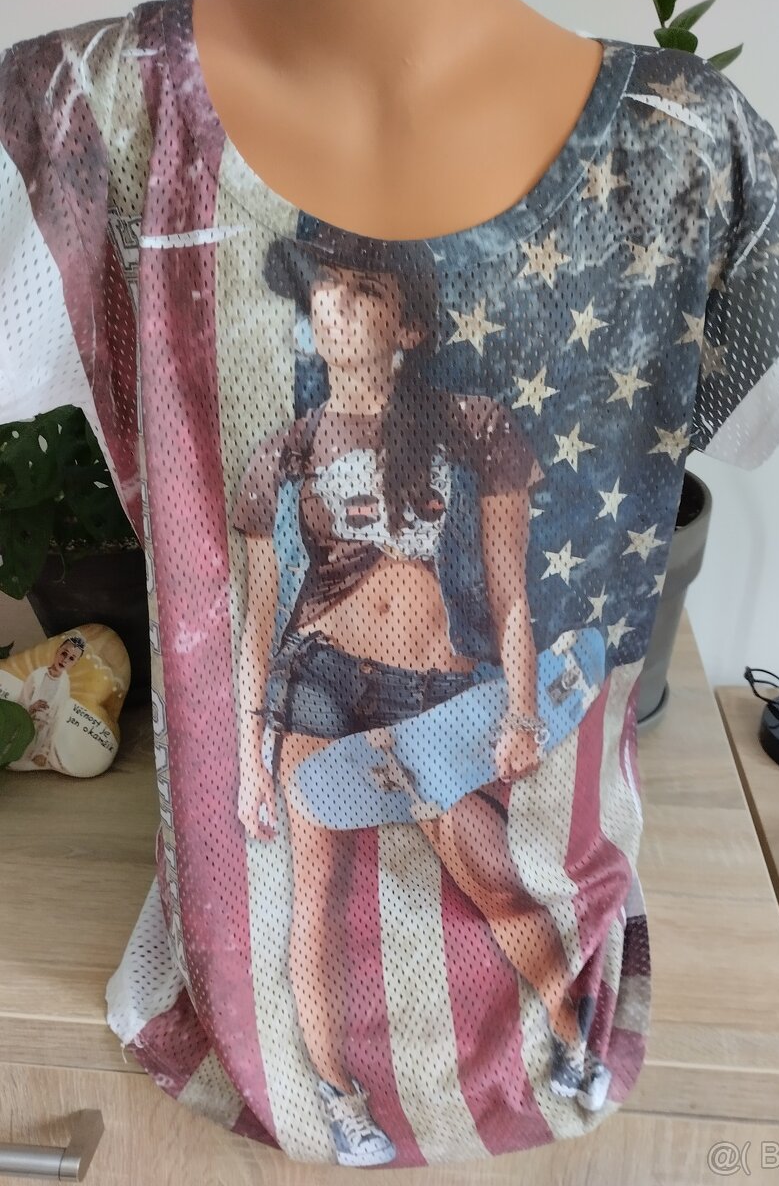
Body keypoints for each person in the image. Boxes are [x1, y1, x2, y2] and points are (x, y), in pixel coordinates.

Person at [230, 231, 607, 1167]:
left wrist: (521, 710)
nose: (335, 305)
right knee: (314, 892)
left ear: (409, 325)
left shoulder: (471, 426)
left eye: (362, 291)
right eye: (324, 290)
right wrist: (250, 758)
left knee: (490, 874)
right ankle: (341, 1098)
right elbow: (258, 618)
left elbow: (511, 592)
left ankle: (572, 1034)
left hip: (430, 691)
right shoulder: (282, 453)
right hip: (317, 680)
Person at [14, 635, 85, 769]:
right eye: (64, 654)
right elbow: (19, 706)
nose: (65, 660)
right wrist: (32, 707)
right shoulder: (36, 676)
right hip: (25, 727)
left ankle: (40, 753)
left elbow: (57, 721)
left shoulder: (65, 686)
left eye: (71, 658)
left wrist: (44, 751)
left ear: (75, 663)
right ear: (57, 651)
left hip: (44, 735)